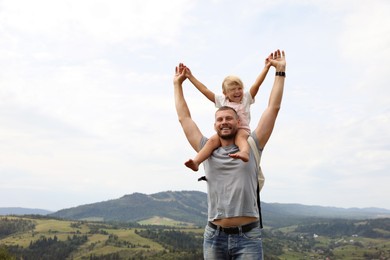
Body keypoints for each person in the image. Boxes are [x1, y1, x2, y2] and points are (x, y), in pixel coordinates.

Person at [173, 49, 286, 259]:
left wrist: (279, 72)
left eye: (229, 118)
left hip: (248, 237)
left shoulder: (252, 145)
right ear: (215, 124)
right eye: (220, 119)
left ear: (238, 121)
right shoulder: (207, 149)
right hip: (213, 236)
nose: (224, 122)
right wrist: (177, 84)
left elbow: (273, 108)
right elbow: (184, 118)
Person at [183, 54, 272, 172]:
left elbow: (256, 85)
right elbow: (205, 90)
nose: (237, 92)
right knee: (211, 141)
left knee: (241, 138)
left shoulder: (246, 99)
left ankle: (244, 153)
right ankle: (197, 161)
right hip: (225, 132)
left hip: (242, 129)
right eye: (232, 89)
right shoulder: (222, 100)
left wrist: (266, 68)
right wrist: (190, 77)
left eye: (239, 88)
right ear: (225, 93)